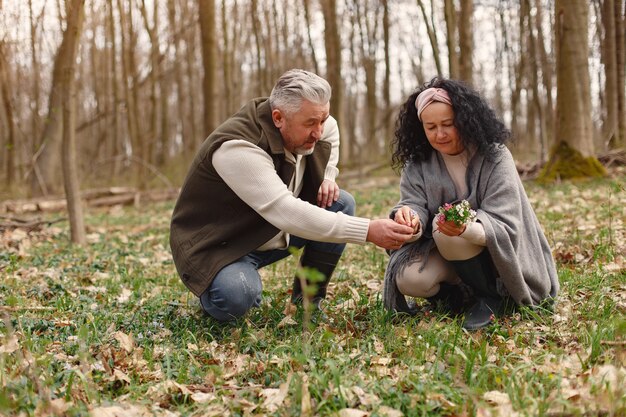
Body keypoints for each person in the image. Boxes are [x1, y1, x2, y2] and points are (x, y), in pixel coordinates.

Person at [170, 69, 414, 322]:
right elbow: (285, 211)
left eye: (322, 120)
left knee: (340, 203)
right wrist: (369, 230)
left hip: (267, 231)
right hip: (221, 245)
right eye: (310, 123)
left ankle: (308, 302)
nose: (318, 132)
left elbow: (331, 130)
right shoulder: (237, 147)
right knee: (238, 296)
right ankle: (220, 288)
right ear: (278, 118)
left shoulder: (315, 122)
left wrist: (329, 177)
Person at [383, 77, 559, 330]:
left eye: (448, 124)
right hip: (447, 252)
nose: (439, 134)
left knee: (447, 231)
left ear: (465, 121)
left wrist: (465, 227)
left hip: (496, 257)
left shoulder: (495, 156)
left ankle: (493, 297)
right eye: (430, 127)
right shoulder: (418, 162)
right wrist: (409, 217)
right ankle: (459, 298)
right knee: (408, 278)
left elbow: (505, 220)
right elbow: (414, 203)